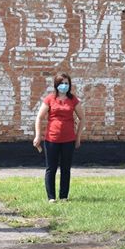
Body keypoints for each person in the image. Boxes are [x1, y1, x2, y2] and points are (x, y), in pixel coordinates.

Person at [33, 73, 84, 202]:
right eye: (62, 83)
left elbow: (82, 118)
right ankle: (51, 197)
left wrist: (78, 137)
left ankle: (63, 196)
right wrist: (38, 135)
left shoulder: (73, 100)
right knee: (51, 168)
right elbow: (39, 117)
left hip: (69, 140)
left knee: (66, 169)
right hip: (52, 139)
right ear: (56, 85)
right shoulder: (50, 99)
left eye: (67, 83)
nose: (64, 86)